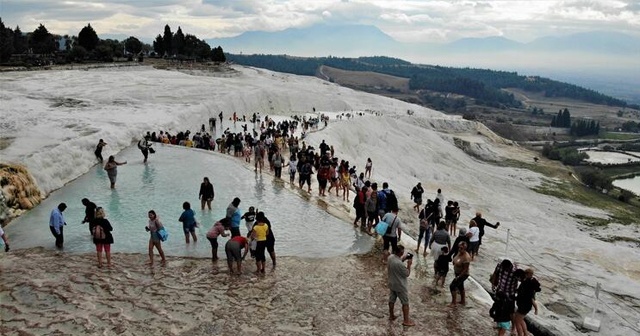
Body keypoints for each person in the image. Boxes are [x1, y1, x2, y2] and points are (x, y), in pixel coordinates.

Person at [387, 244, 415, 327]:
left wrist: (404, 258)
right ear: (400, 253)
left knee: (392, 300)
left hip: (392, 283)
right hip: (400, 286)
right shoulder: (399, 264)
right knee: (405, 303)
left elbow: (398, 262)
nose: (403, 253)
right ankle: (406, 321)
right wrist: (409, 265)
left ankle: (391, 315)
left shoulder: (390, 257)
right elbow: (407, 273)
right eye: (402, 252)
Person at [514, 268, 541, 336]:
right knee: (521, 320)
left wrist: (536, 309)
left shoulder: (528, 284)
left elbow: (527, 297)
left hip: (524, 306)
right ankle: (525, 334)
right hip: (524, 305)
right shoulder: (526, 282)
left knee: (517, 322)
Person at [449, 241, 471, 307]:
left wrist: (459, 277)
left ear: (465, 249)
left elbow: (465, 269)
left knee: (452, 286)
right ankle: (462, 301)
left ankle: (453, 302)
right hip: (457, 272)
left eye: (461, 248)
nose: (459, 249)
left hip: (463, 274)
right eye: (459, 248)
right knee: (461, 286)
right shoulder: (459, 253)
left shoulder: (466, 257)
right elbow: (456, 259)